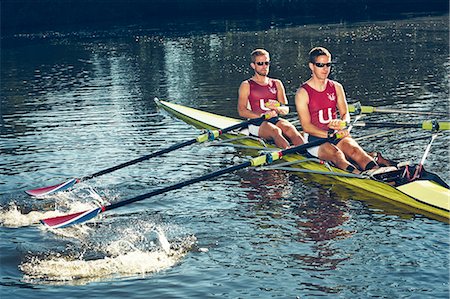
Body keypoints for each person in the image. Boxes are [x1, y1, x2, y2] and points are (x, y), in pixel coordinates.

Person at [295, 47, 380, 174]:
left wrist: (343, 124)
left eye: (328, 64)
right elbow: (306, 126)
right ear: (311, 66)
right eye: (320, 65)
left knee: (356, 151)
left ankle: (378, 172)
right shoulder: (302, 93)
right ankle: (359, 176)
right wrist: (329, 135)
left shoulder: (336, 87)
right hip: (314, 139)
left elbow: (345, 114)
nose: (325, 69)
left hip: (336, 134)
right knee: (337, 154)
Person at [238, 49, 304, 149]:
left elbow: (285, 109)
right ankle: (288, 153)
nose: (264, 66)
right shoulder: (246, 85)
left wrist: (277, 108)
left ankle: (306, 154)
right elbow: (241, 111)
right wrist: (261, 115)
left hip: (274, 119)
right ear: (253, 65)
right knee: (275, 131)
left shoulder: (277, 83)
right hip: (256, 123)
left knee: (291, 129)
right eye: (260, 63)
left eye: (266, 63)